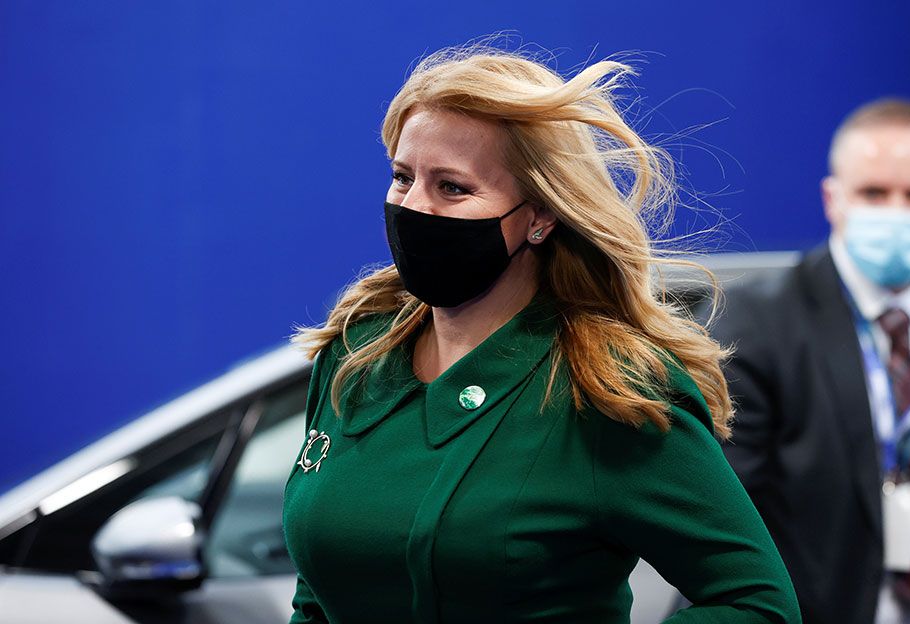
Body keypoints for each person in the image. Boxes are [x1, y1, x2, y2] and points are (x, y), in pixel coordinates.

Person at [282, 42, 800, 624]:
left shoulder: (607, 389)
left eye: (452, 187)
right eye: (403, 178)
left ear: (540, 215)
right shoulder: (357, 352)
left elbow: (757, 605)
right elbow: (317, 594)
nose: (415, 207)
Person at [703, 98, 910, 623]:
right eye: (874, 192)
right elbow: (721, 534)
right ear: (833, 199)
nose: (896, 211)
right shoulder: (754, 328)